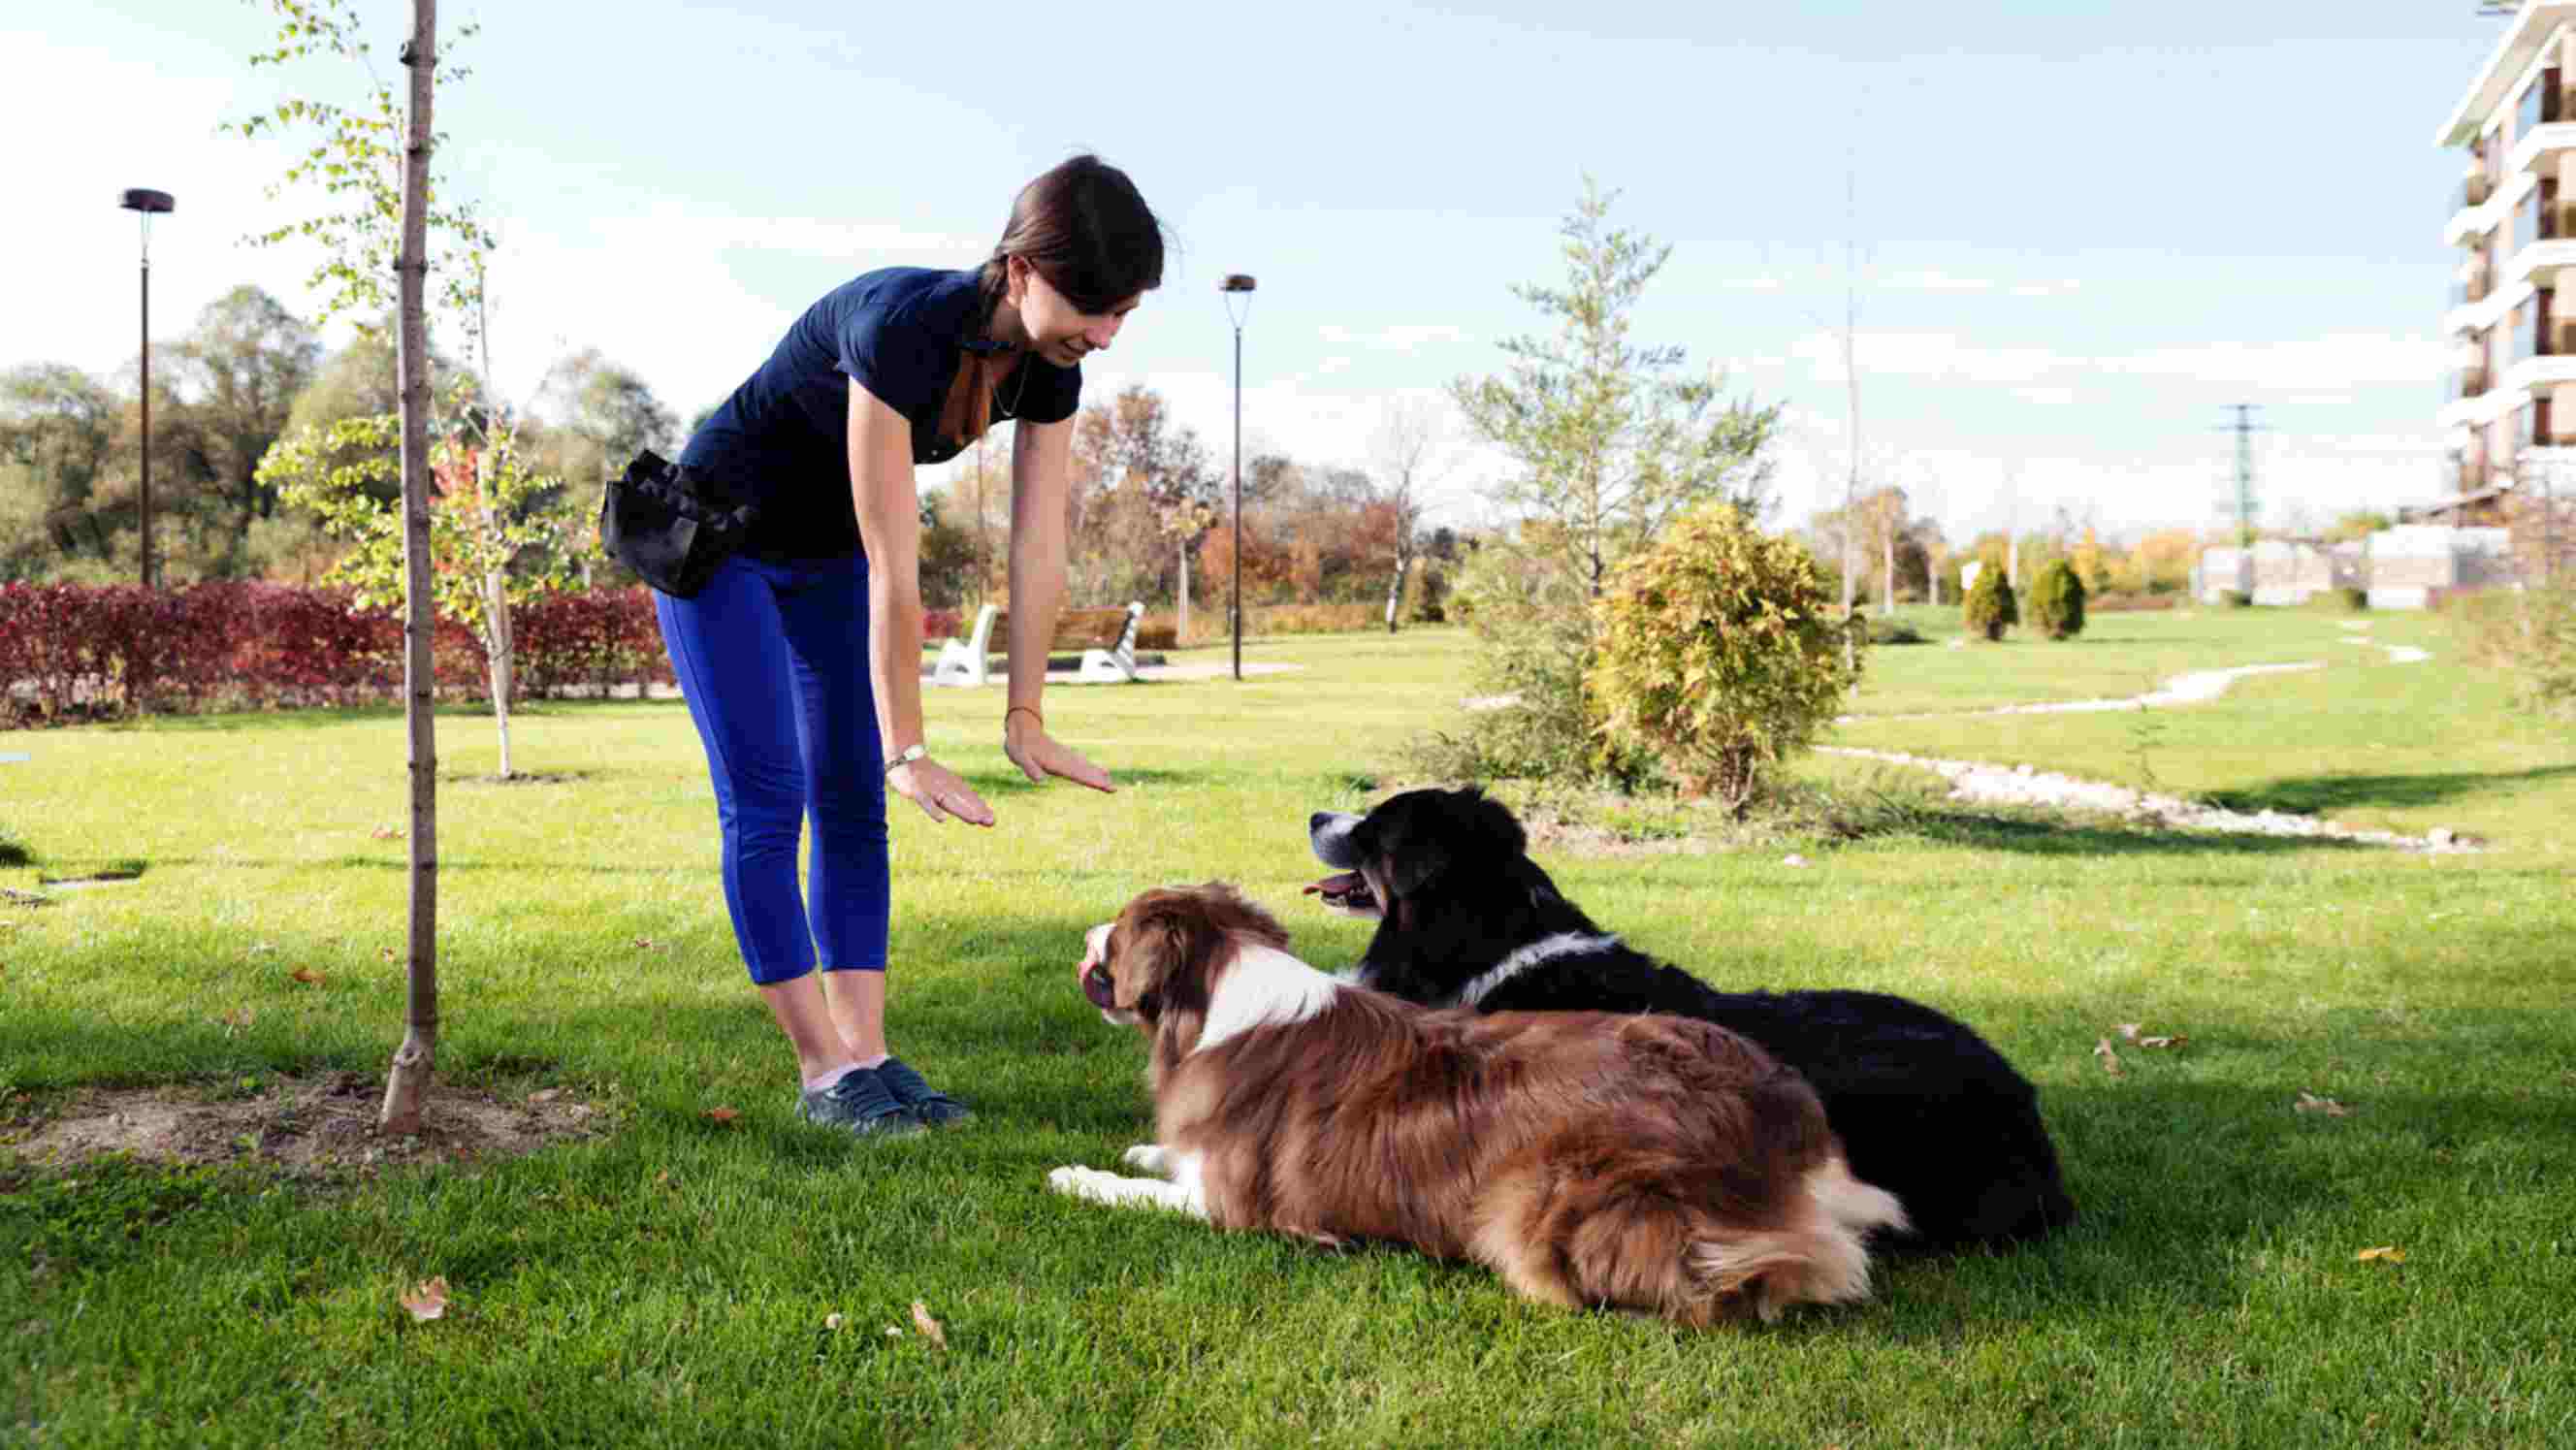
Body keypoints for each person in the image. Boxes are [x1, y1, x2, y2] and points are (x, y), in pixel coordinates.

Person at [658, 154, 1163, 1136]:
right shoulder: (899, 326)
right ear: (1019, 269)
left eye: (1122, 315)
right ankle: (821, 1070)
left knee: (853, 807)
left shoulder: (1047, 369)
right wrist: (912, 748)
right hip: (718, 545)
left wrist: (1027, 714)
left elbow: (1037, 544)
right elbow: (898, 561)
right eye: (1091, 306)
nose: (1103, 333)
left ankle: (870, 1056)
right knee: (770, 799)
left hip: (821, 555)